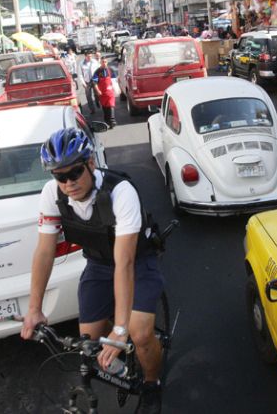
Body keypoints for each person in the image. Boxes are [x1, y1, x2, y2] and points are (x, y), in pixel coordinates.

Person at [20, 128, 166, 414]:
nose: (68, 183)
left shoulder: (120, 192)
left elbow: (124, 262)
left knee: (139, 333)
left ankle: (152, 383)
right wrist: (34, 308)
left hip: (136, 262)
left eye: (74, 173)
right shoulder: (53, 194)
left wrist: (122, 330)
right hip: (98, 265)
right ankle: (121, 344)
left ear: (90, 163)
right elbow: (45, 251)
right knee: (89, 341)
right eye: (59, 176)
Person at [92, 57, 117, 128]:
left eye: (105, 62)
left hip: (110, 92)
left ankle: (112, 120)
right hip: (102, 93)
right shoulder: (97, 72)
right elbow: (94, 83)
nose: (104, 63)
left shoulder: (110, 70)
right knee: (105, 108)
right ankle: (107, 121)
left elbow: (114, 80)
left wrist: (117, 89)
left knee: (111, 105)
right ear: (100, 62)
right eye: (103, 62)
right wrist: (98, 90)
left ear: (107, 62)